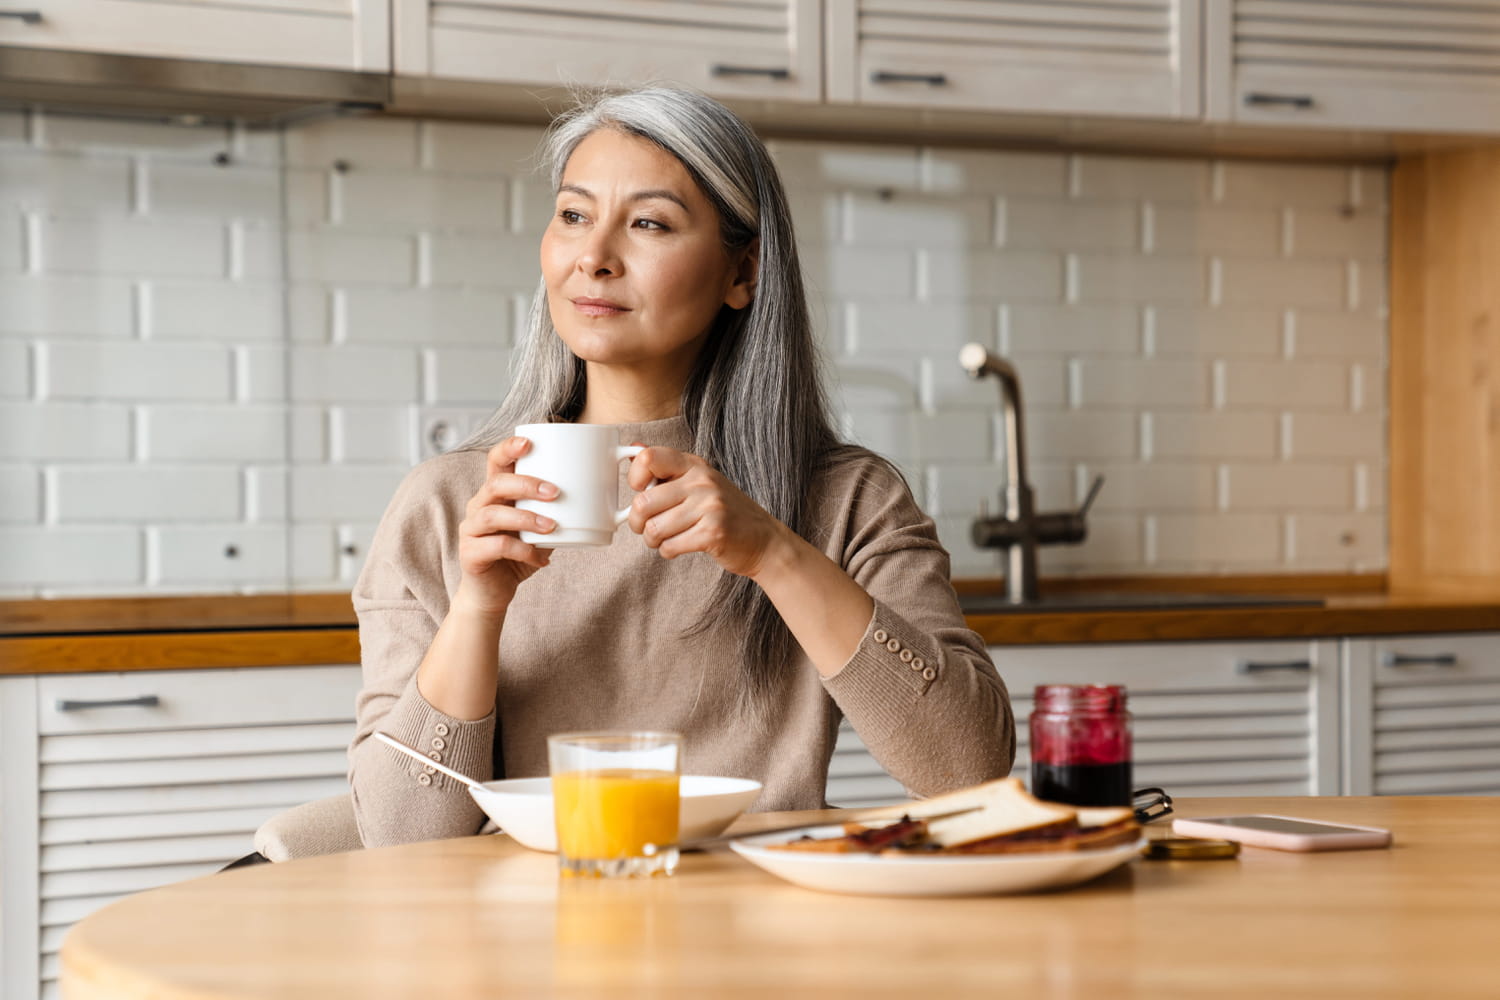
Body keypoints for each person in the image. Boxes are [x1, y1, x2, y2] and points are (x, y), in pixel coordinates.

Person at [349, 85, 1015, 847]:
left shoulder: (844, 499)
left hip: (767, 937)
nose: (593, 258)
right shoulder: (450, 506)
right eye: (573, 215)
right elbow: (398, 841)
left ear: (744, 273)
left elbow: (974, 773)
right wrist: (477, 608)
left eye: (648, 223)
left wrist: (774, 553)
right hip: (531, 944)